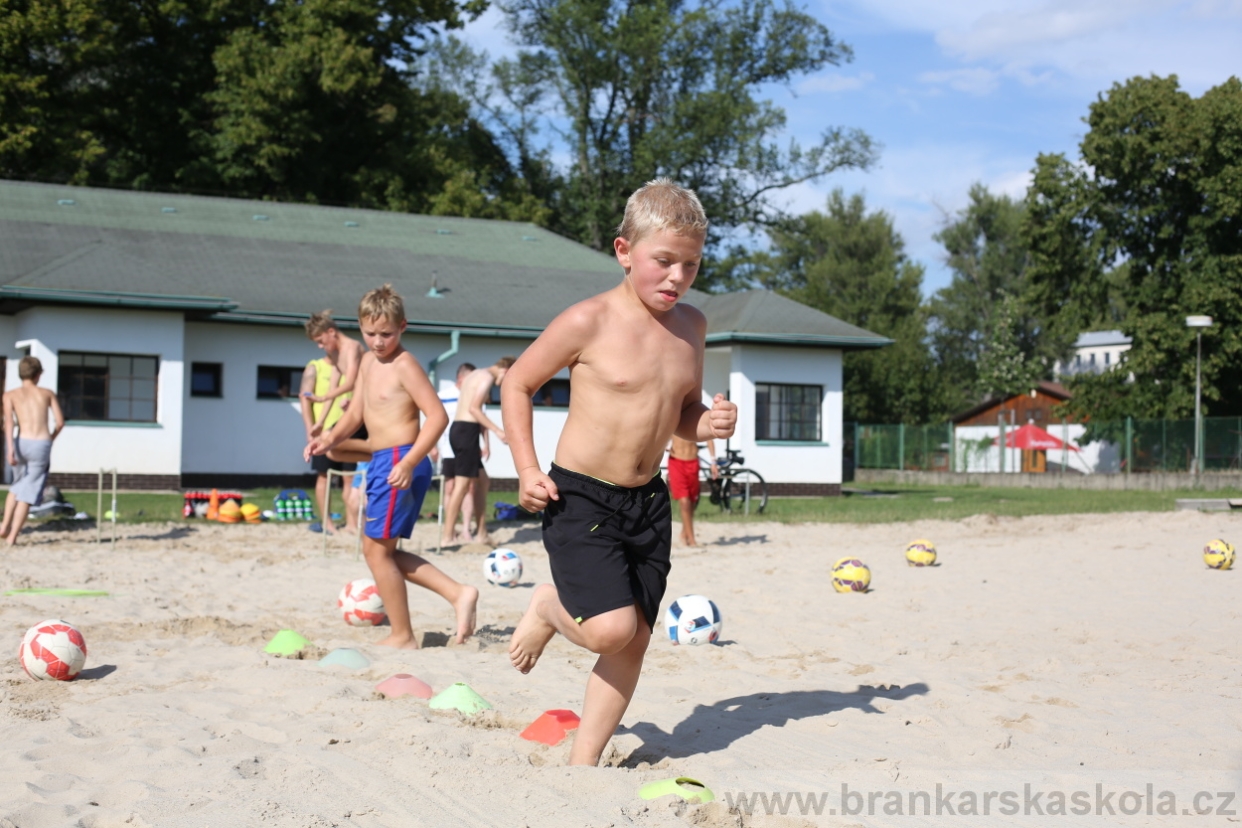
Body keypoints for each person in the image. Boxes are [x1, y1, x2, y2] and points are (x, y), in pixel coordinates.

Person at [502, 178, 737, 766]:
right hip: (579, 496)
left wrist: (711, 423)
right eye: (663, 261)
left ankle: (583, 765)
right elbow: (518, 383)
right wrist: (526, 468)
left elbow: (681, 411)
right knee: (610, 630)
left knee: (633, 642)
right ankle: (549, 608)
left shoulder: (693, 328)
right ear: (624, 251)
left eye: (691, 264)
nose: (677, 277)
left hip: (647, 503)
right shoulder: (588, 321)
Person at [306, 285, 477, 648]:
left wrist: (412, 459)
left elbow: (437, 416)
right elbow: (356, 413)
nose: (379, 341)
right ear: (360, 327)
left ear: (403, 327)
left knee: (376, 551)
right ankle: (458, 593)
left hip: (401, 460)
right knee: (383, 551)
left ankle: (403, 635)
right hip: (382, 458)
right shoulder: (367, 362)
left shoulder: (405, 365)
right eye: (370, 334)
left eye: (386, 334)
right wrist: (330, 438)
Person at [440, 357, 513, 548]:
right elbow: (475, 408)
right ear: (504, 370)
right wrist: (498, 431)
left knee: (483, 480)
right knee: (461, 485)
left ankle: (482, 533)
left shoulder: (474, 374)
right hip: (466, 431)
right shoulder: (487, 377)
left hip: (460, 430)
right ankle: (447, 536)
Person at [0, 356, 65, 545]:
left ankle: (4, 525)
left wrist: (10, 448)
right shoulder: (46, 393)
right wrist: (50, 439)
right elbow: (60, 423)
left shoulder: (10, 395)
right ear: (38, 375)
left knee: (17, 485)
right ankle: (12, 537)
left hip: (20, 442)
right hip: (40, 443)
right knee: (28, 493)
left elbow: (9, 423)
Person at [299, 357, 355, 535]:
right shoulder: (315, 367)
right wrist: (310, 430)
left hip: (349, 429)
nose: (321, 346)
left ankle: (352, 523)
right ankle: (327, 523)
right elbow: (305, 399)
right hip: (324, 433)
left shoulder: (351, 365)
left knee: (350, 477)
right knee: (324, 476)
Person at [437, 363, 491, 543]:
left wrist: (487, 445)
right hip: (449, 446)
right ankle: (449, 532)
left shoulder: (476, 393)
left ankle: (467, 529)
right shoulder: (444, 396)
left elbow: (482, 421)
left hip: (469, 445)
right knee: (451, 487)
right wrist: (432, 446)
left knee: (471, 486)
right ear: (461, 378)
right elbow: (435, 420)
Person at [667, 435, 717, 547]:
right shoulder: (674, 417)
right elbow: (662, 430)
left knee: (692, 502)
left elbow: (709, 437)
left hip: (693, 461)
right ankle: (692, 539)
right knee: (684, 502)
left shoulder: (695, 417)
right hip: (676, 461)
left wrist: (713, 462)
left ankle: (684, 533)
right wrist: (664, 444)